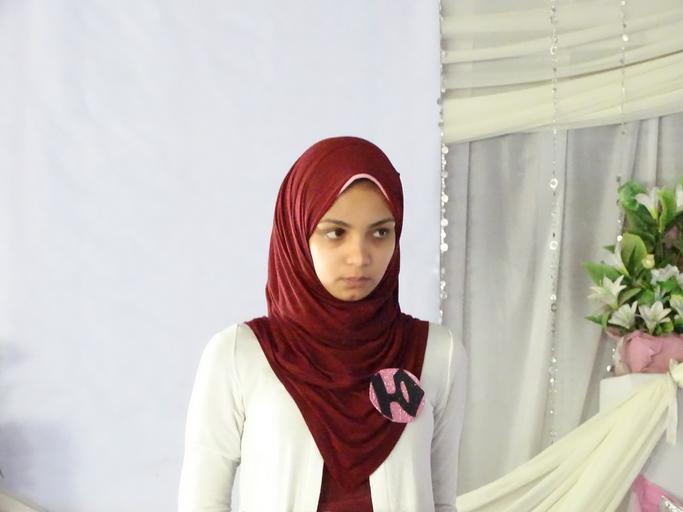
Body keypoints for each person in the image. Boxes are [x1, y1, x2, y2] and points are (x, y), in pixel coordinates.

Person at [177, 136, 468, 511]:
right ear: (297, 233)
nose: (359, 256)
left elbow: (442, 502)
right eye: (335, 233)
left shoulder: (436, 355)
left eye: (380, 232)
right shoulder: (239, 356)